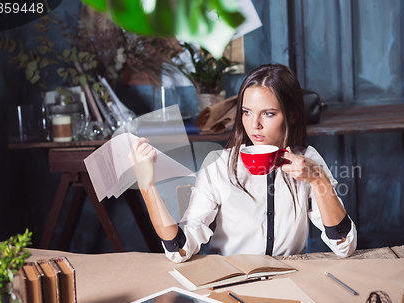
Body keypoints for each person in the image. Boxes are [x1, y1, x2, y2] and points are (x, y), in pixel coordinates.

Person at [129, 64, 357, 263]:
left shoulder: (308, 161)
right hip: (234, 283)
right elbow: (179, 248)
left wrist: (318, 179)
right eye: (247, 112)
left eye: (268, 114)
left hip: (292, 280)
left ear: (293, 116)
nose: (254, 124)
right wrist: (147, 186)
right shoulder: (218, 164)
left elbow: (344, 245)